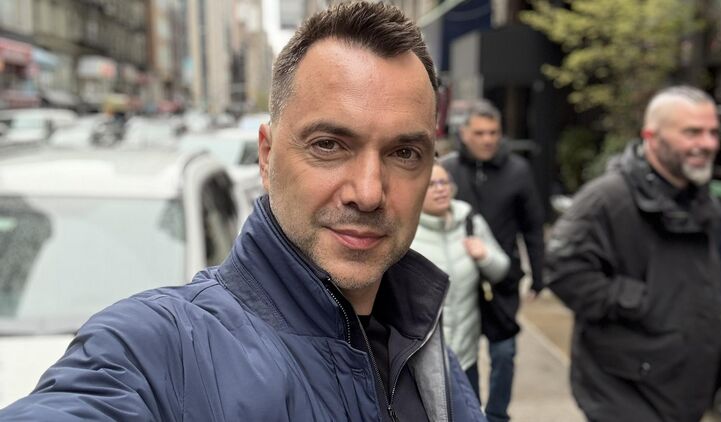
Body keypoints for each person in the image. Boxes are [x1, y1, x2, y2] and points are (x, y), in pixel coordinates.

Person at [0, 3, 484, 421]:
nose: (369, 192)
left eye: (404, 153)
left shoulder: (427, 351)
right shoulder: (159, 352)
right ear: (267, 158)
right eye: (329, 145)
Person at [546, 86, 721, 422]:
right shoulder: (607, 198)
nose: (707, 143)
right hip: (626, 393)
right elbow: (563, 269)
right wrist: (641, 301)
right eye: (692, 132)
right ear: (651, 137)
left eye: (712, 132)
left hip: (682, 390)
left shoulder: (702, 201)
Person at [441, 100, 545, 421]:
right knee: (461, 354)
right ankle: (469, 412)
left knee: (503, 352)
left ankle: (497, 415)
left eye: (493, 133)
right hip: (460, 278)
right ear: (464, 134)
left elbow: (532, 228)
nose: (487, 139)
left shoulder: (518, 171)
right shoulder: (447, 170)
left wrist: (539, 275)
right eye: (480, 133)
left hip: (502, 278)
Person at [411, 162, 510, 396]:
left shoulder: (469, 221)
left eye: (444, 182)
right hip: (423, 361)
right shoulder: (406, 231)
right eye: (431, 184)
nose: (440, 189)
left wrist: (484, 257)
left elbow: (501, 269)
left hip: (466, 357)